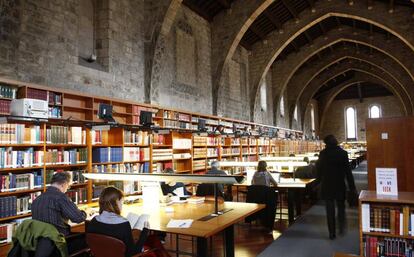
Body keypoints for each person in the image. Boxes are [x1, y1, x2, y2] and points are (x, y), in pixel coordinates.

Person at [86, 186, 170, 257]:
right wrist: (145, 231)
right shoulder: (123, 224)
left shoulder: (94, 221)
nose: (121, 206)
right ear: (115, 203)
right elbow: (134, 252)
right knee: (154, 242)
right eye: (121, 203)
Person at [31, 171, 87, 255]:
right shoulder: (61, 197)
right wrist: (85, 213)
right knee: (88, 238)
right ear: (64, 184)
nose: (67, 189)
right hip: (59, 241)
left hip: (40, 242)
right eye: (68, 186)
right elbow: (78, 218)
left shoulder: (37, 199)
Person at [316, 134, 356, 240]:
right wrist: (352, 187)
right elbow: (348, 172)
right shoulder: (343, 153)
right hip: (339, 185)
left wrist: (317, 182)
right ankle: (341, 227)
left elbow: (318, 170)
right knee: (341, 207)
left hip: (327, 186)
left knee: (330, 211)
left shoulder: (323, 154)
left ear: (326, 143)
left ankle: (331, 233)